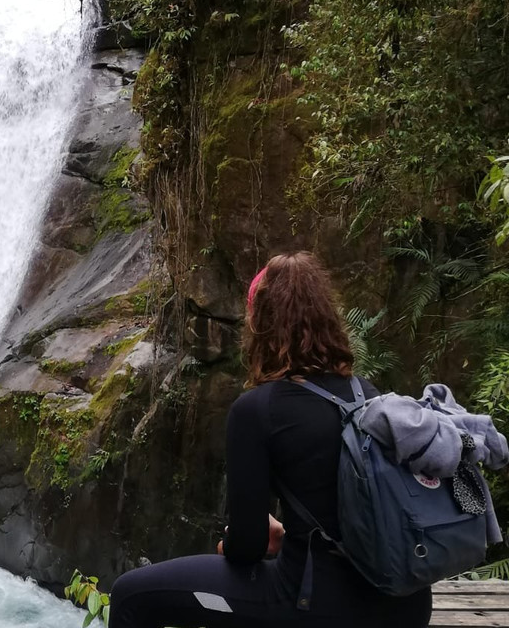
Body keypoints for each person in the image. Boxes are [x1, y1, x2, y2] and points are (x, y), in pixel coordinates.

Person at [108, 252, 433, 628]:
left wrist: (257, 538)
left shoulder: (257, 410)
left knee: (131, 595)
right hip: (406, 604)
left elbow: (246, 546)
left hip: (316, 604)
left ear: (260, 325)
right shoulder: (366, 394)